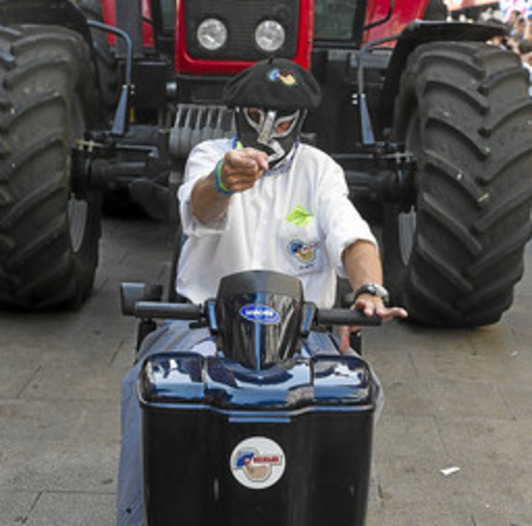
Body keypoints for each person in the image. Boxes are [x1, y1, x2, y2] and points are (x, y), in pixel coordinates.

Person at [117, 58, 407, 525]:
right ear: (238, 114)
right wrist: (222, 183)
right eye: (256, 115)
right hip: (205, 323)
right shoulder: (210, 157)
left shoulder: (319, 170)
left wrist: (369, 289)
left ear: (300, 120)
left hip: (303, 329)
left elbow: (353, 237)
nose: (269, 128)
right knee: (146, 390)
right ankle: (138, 517)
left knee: (358, 392)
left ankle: (323, 505)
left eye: (283, 119)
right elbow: (200, 209)